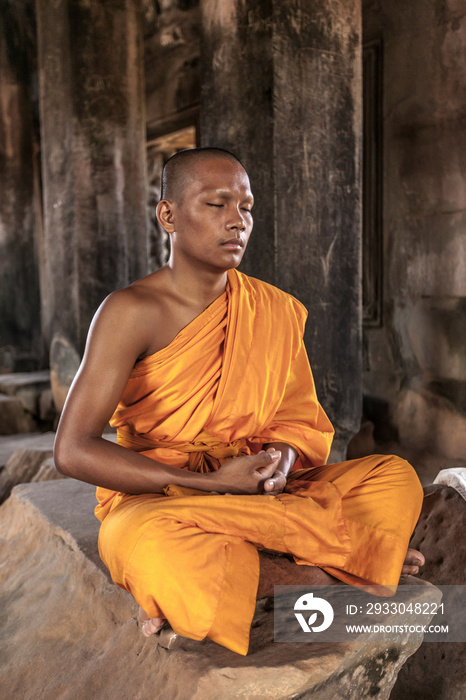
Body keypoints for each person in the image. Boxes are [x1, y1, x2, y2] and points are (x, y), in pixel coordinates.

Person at [54, 147, 425, 656]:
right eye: (217, 205)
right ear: (168, 215)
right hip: (162, 499)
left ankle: (263, 578)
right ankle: (328, 564)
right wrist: (206, 483)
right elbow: (72, 450)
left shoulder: (271, 308)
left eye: (247, 208)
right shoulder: (130, 311)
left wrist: (279, 463)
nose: (237, 222)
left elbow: (296, 419)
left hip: (261, 492)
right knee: (150, 546)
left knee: (393, 477)